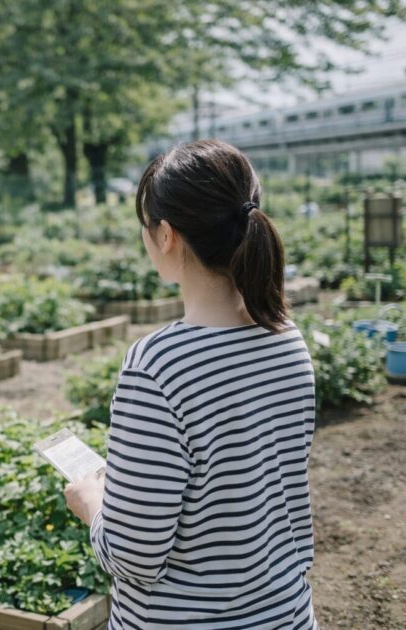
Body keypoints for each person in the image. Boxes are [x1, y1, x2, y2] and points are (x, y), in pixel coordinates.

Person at [64, 140, 318, 629]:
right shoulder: (287, 337)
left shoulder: (157, 366)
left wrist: (92, 504)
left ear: (166, 235)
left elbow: (136, 557)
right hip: (284, 614)